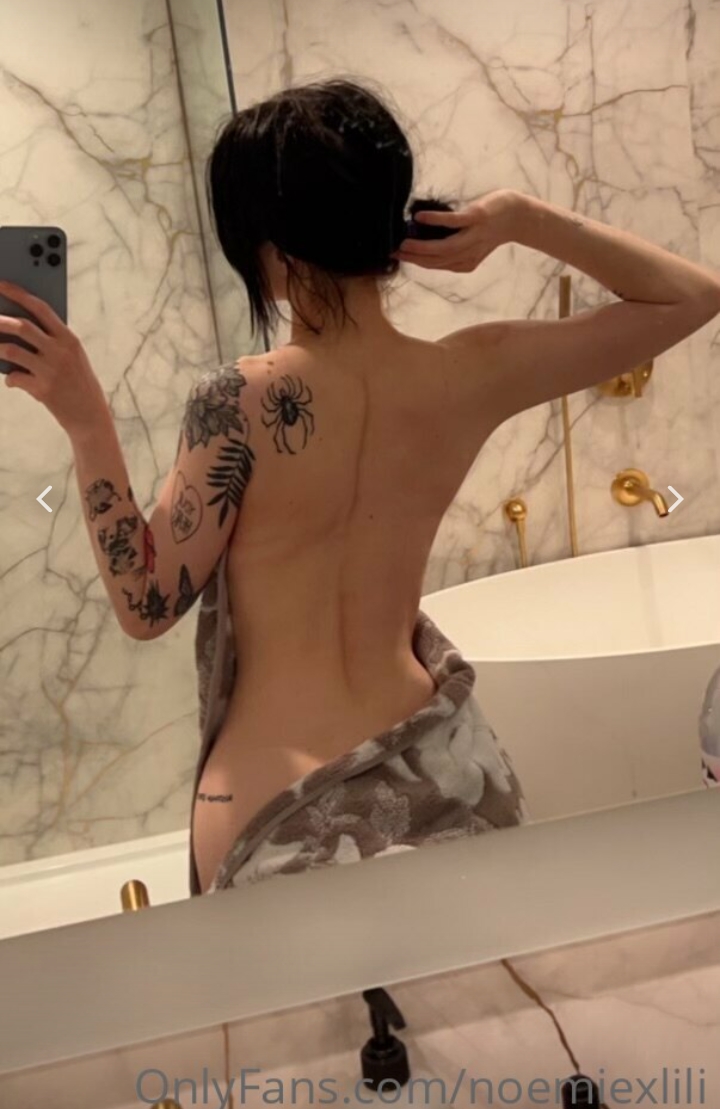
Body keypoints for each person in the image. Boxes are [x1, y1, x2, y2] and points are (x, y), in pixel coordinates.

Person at [2, 79, 719, 894]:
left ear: (267, 243)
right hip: (444, 773)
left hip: (279, 796)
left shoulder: (237, 400)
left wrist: (86, 420)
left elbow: (146, 603)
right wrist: (521, 219)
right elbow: (691, 295)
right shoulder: (468, 373)